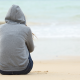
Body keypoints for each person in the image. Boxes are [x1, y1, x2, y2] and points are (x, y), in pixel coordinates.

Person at [0, 5, 34, 75]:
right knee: (25, 45)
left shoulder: (1, 28)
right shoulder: (26, 29)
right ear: (22, 16)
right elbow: (31, 49)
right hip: (24, 69)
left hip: (3, 70)